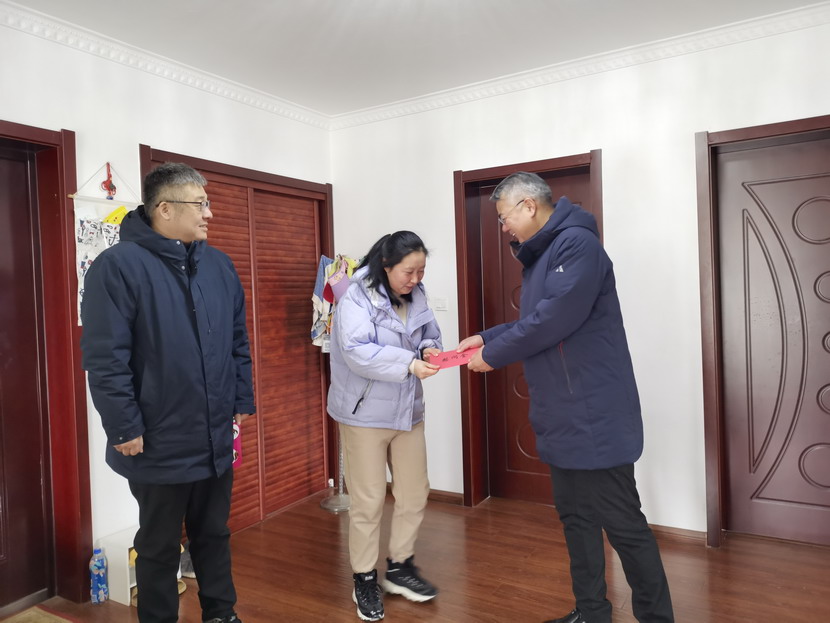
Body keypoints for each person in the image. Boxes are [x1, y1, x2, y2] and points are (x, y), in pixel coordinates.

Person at [457, 172, 674, 623]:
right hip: (561, 413)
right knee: (576, 519)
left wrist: (493, 355)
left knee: (624, 525)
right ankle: (592, 612)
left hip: (594, 414)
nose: (503, 227)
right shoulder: (542, 256)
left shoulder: (577, 246)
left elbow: (554, 320)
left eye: (504, 217)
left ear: (529, 206)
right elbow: (536, 318)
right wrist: (485, 337)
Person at [80, 162, 254, 623]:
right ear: (164, 208)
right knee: (158, 545)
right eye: (200, 204)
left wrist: (240, 400)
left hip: (215, 433)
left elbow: (237, 340)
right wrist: (124, 427)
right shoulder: (117, 267)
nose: (209, 214)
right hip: (157, 438)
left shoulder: (218, 265)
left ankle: (221, 613)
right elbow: (105, 358)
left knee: (213, 534)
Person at [327, 231, 443, 622]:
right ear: (386, 265)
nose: (416, 279)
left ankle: (399, 567)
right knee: (369, 500)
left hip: (407, 411)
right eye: (409, 271)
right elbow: (357, 352)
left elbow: (429, 333)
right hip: (364, 414)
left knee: (414, 492)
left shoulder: (417, 294)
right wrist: (409, 363)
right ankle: (364, 578)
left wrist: (429, 349)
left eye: (421, 271)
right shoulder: (355, 297)